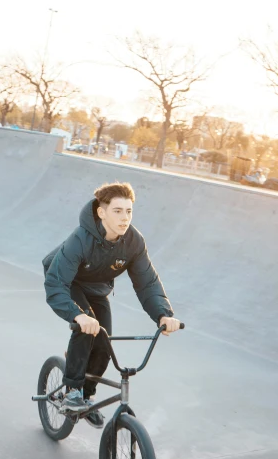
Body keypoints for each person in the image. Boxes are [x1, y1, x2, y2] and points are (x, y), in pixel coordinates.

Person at [43, 181, 181, 428]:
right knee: (87, 327)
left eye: (129, 211)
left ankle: (87, 395)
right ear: (101, 212)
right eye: (117, 211)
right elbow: (56, 283)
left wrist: (163, 314)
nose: (124, 217)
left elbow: (147, 282)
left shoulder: (134, 242)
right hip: (68, 281)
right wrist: (77, 315)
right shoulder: (81, 239)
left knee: (104, 342)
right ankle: (72, 392)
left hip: (97, 287)